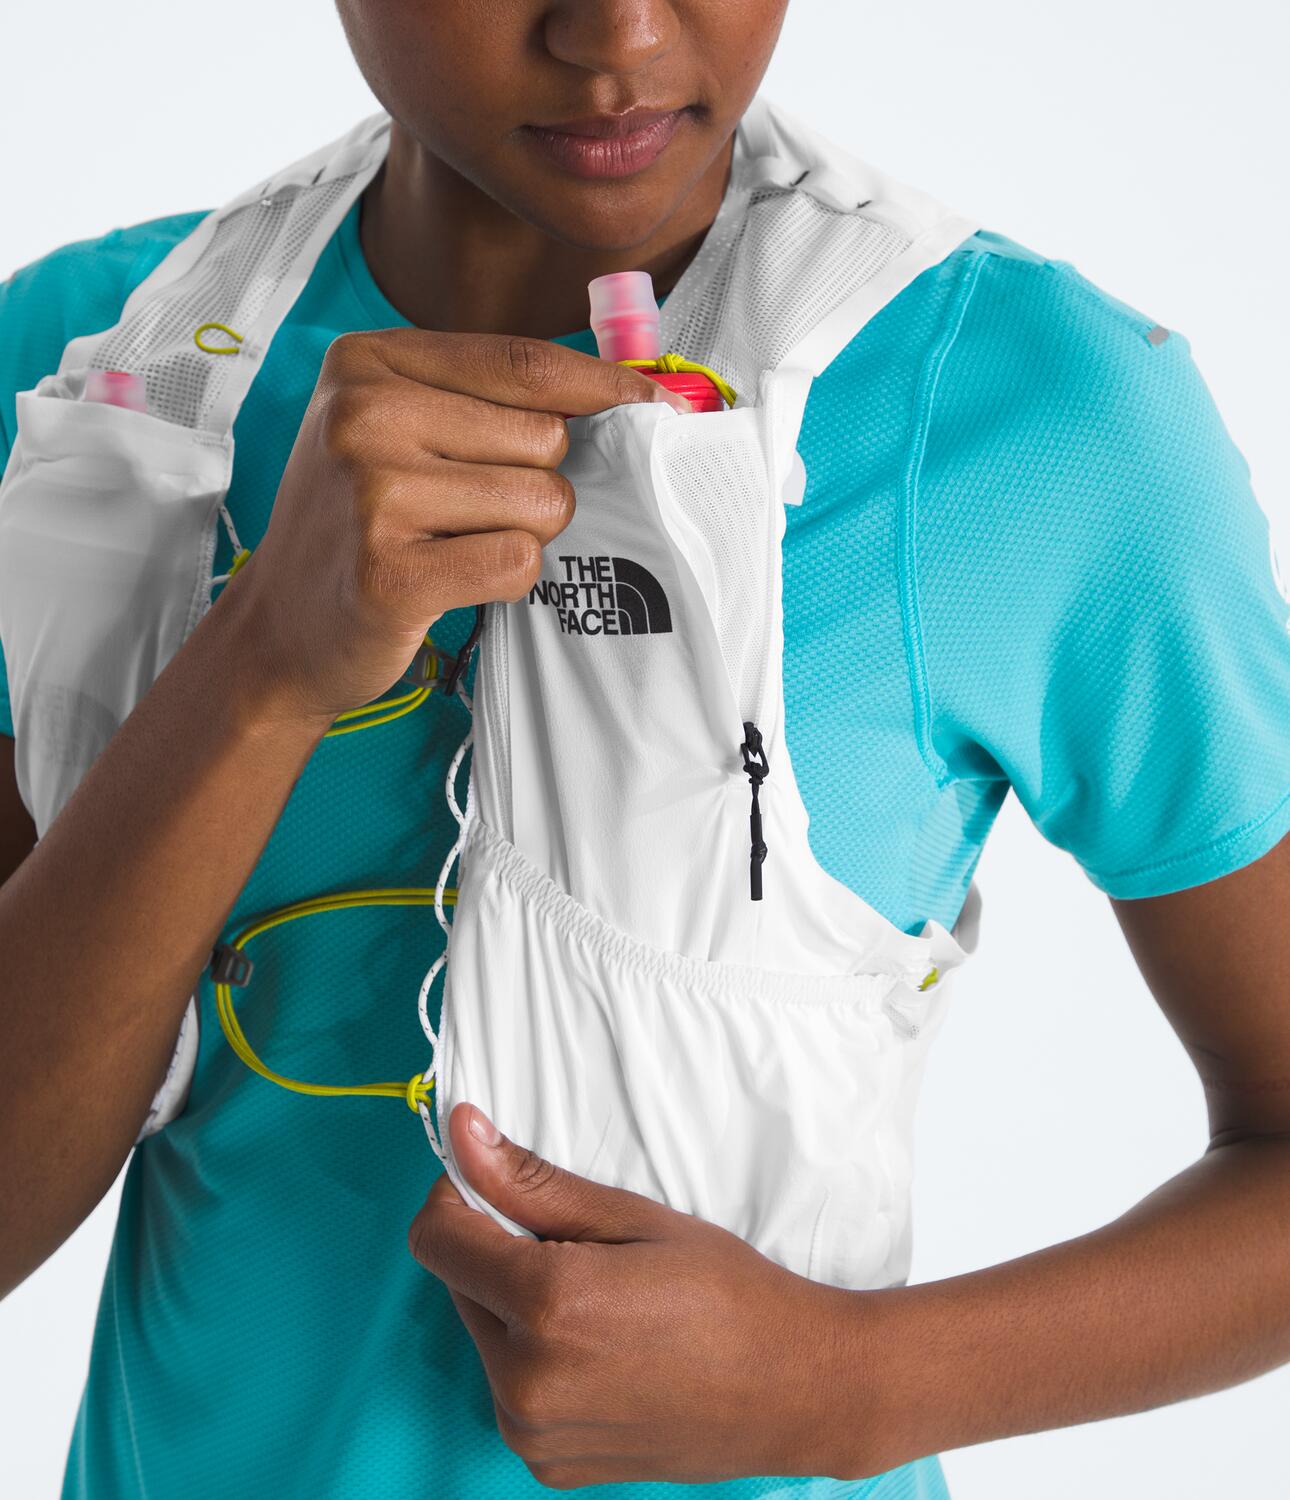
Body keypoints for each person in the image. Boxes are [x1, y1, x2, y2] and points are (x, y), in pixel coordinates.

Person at [1, 2, 1288, 1496]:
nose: (617, 33)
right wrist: (264, 661)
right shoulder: (93, 380)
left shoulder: (1032, 413)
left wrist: (854, 1385)